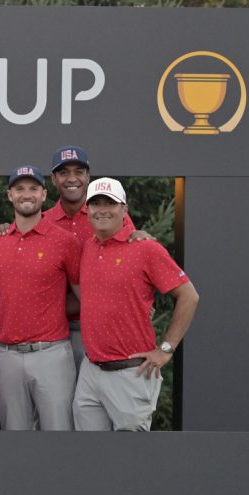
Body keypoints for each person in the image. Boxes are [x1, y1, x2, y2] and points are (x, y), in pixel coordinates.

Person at [0, 146, 146, 370]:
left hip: (98, 326)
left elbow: (130, 255)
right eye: (64, 173)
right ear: (53, 179)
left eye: (78, 172)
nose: (71, 178)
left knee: (89, 398)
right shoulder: (43, 221)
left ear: (87, 176)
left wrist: (139, 236)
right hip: (57, 332)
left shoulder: (106, 215)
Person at [74, 178, 198, 431]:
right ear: (87, 210)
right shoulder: (87, 247)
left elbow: (189, 296)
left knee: (131, 461)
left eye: (110, 203)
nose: (102, 210)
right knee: (88, 457)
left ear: (124, 210)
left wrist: (166, 349)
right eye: (95, 204)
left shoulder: (145, 248)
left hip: (131, 373)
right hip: (90, 371)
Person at [0, 166, 81, 430]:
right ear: (9, 195)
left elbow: (85, 297)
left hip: (51, 353)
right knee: (15, 443)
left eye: (32, 188)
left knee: (58, 438)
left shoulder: (65, 241)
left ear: (43, 194)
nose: (26, 194)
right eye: (19, 189)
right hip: (7, 355)